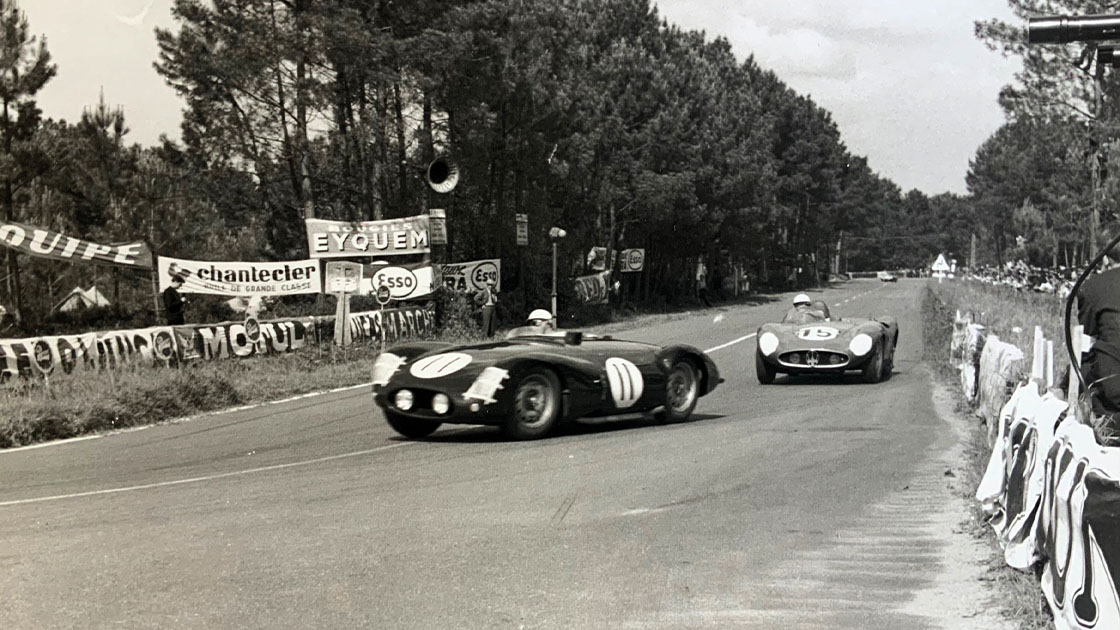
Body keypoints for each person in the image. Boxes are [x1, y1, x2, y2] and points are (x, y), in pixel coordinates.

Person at [1077, 252, 1120, 427]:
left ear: (1105, 259)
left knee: (1087, 361)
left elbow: (1085, 342)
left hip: (1112, 398)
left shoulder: (1093, 286)